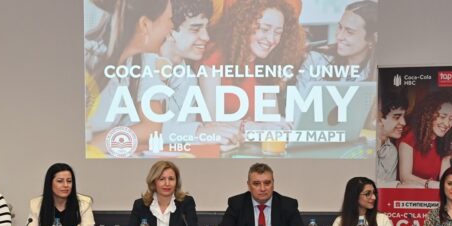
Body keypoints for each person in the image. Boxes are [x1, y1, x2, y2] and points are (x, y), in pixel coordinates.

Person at [199, 0, 305, 137]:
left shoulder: (267, 64)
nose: (271, 39)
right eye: (264, 29)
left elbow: (269, 119)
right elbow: (211, 120)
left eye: (278, 32)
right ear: (245, 25)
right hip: (213, 146)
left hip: (246, 145)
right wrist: (252, 127)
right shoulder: (215, 54)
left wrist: (280, 125)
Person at [85, 0, 174, 151]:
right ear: (145, 24)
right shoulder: (88, 57)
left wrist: (95, 145)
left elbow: (151, 127)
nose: (172, 28)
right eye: (169, 20)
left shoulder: (142, 61)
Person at [158, 0, 240, 146]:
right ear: (169, 32)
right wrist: (198, 132)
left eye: (206, 28)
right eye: (195, 29)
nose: (206, 37)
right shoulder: (137, 67)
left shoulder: (188, 78)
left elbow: (179, 136)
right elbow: (133, 130)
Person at [297, 0, 378, 91]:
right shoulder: (316, 60)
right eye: (340, 27)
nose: (339, 36)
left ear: (371, 39)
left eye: (349, 32)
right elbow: (299, 98)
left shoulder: (378, 71)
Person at [219, 163, 306, 226]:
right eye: (256, 184)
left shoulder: (287, 204)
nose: (262, 188)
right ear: (249, 185)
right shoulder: (237, 203)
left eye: (267, 183)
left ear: (273, 184)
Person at [398, 90, 452, 188]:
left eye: (451, 119)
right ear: (428, 115)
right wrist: (430, 184)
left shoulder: (443, 142)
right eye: (442, 117)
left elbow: (445, 178)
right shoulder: (409, 137)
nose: (447, 124)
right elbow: (405, 177)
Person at [22, 163, 95, 226]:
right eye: (60, 181)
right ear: (50, 183)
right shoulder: (36, 204)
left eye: (69, 181)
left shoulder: (84, 203)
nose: (66, 185)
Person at [127, 160, 199, 226]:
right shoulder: (140, 205)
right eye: (162, 179)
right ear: (153, 181)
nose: (167, 183)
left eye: (171, 179)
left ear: (176, 182)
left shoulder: (186, 203)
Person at [328, 177, 395, 226]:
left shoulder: (382, 219)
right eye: (367, 194)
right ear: (354, 196)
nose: (374, 197)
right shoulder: (340, 221)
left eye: (374, 193)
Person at [376, 89, 408, 188]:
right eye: (396, 117)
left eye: (403, 117)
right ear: (379, 118)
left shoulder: (392, 151)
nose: (403, 122)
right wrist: (398, 186)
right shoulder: (361, 147)